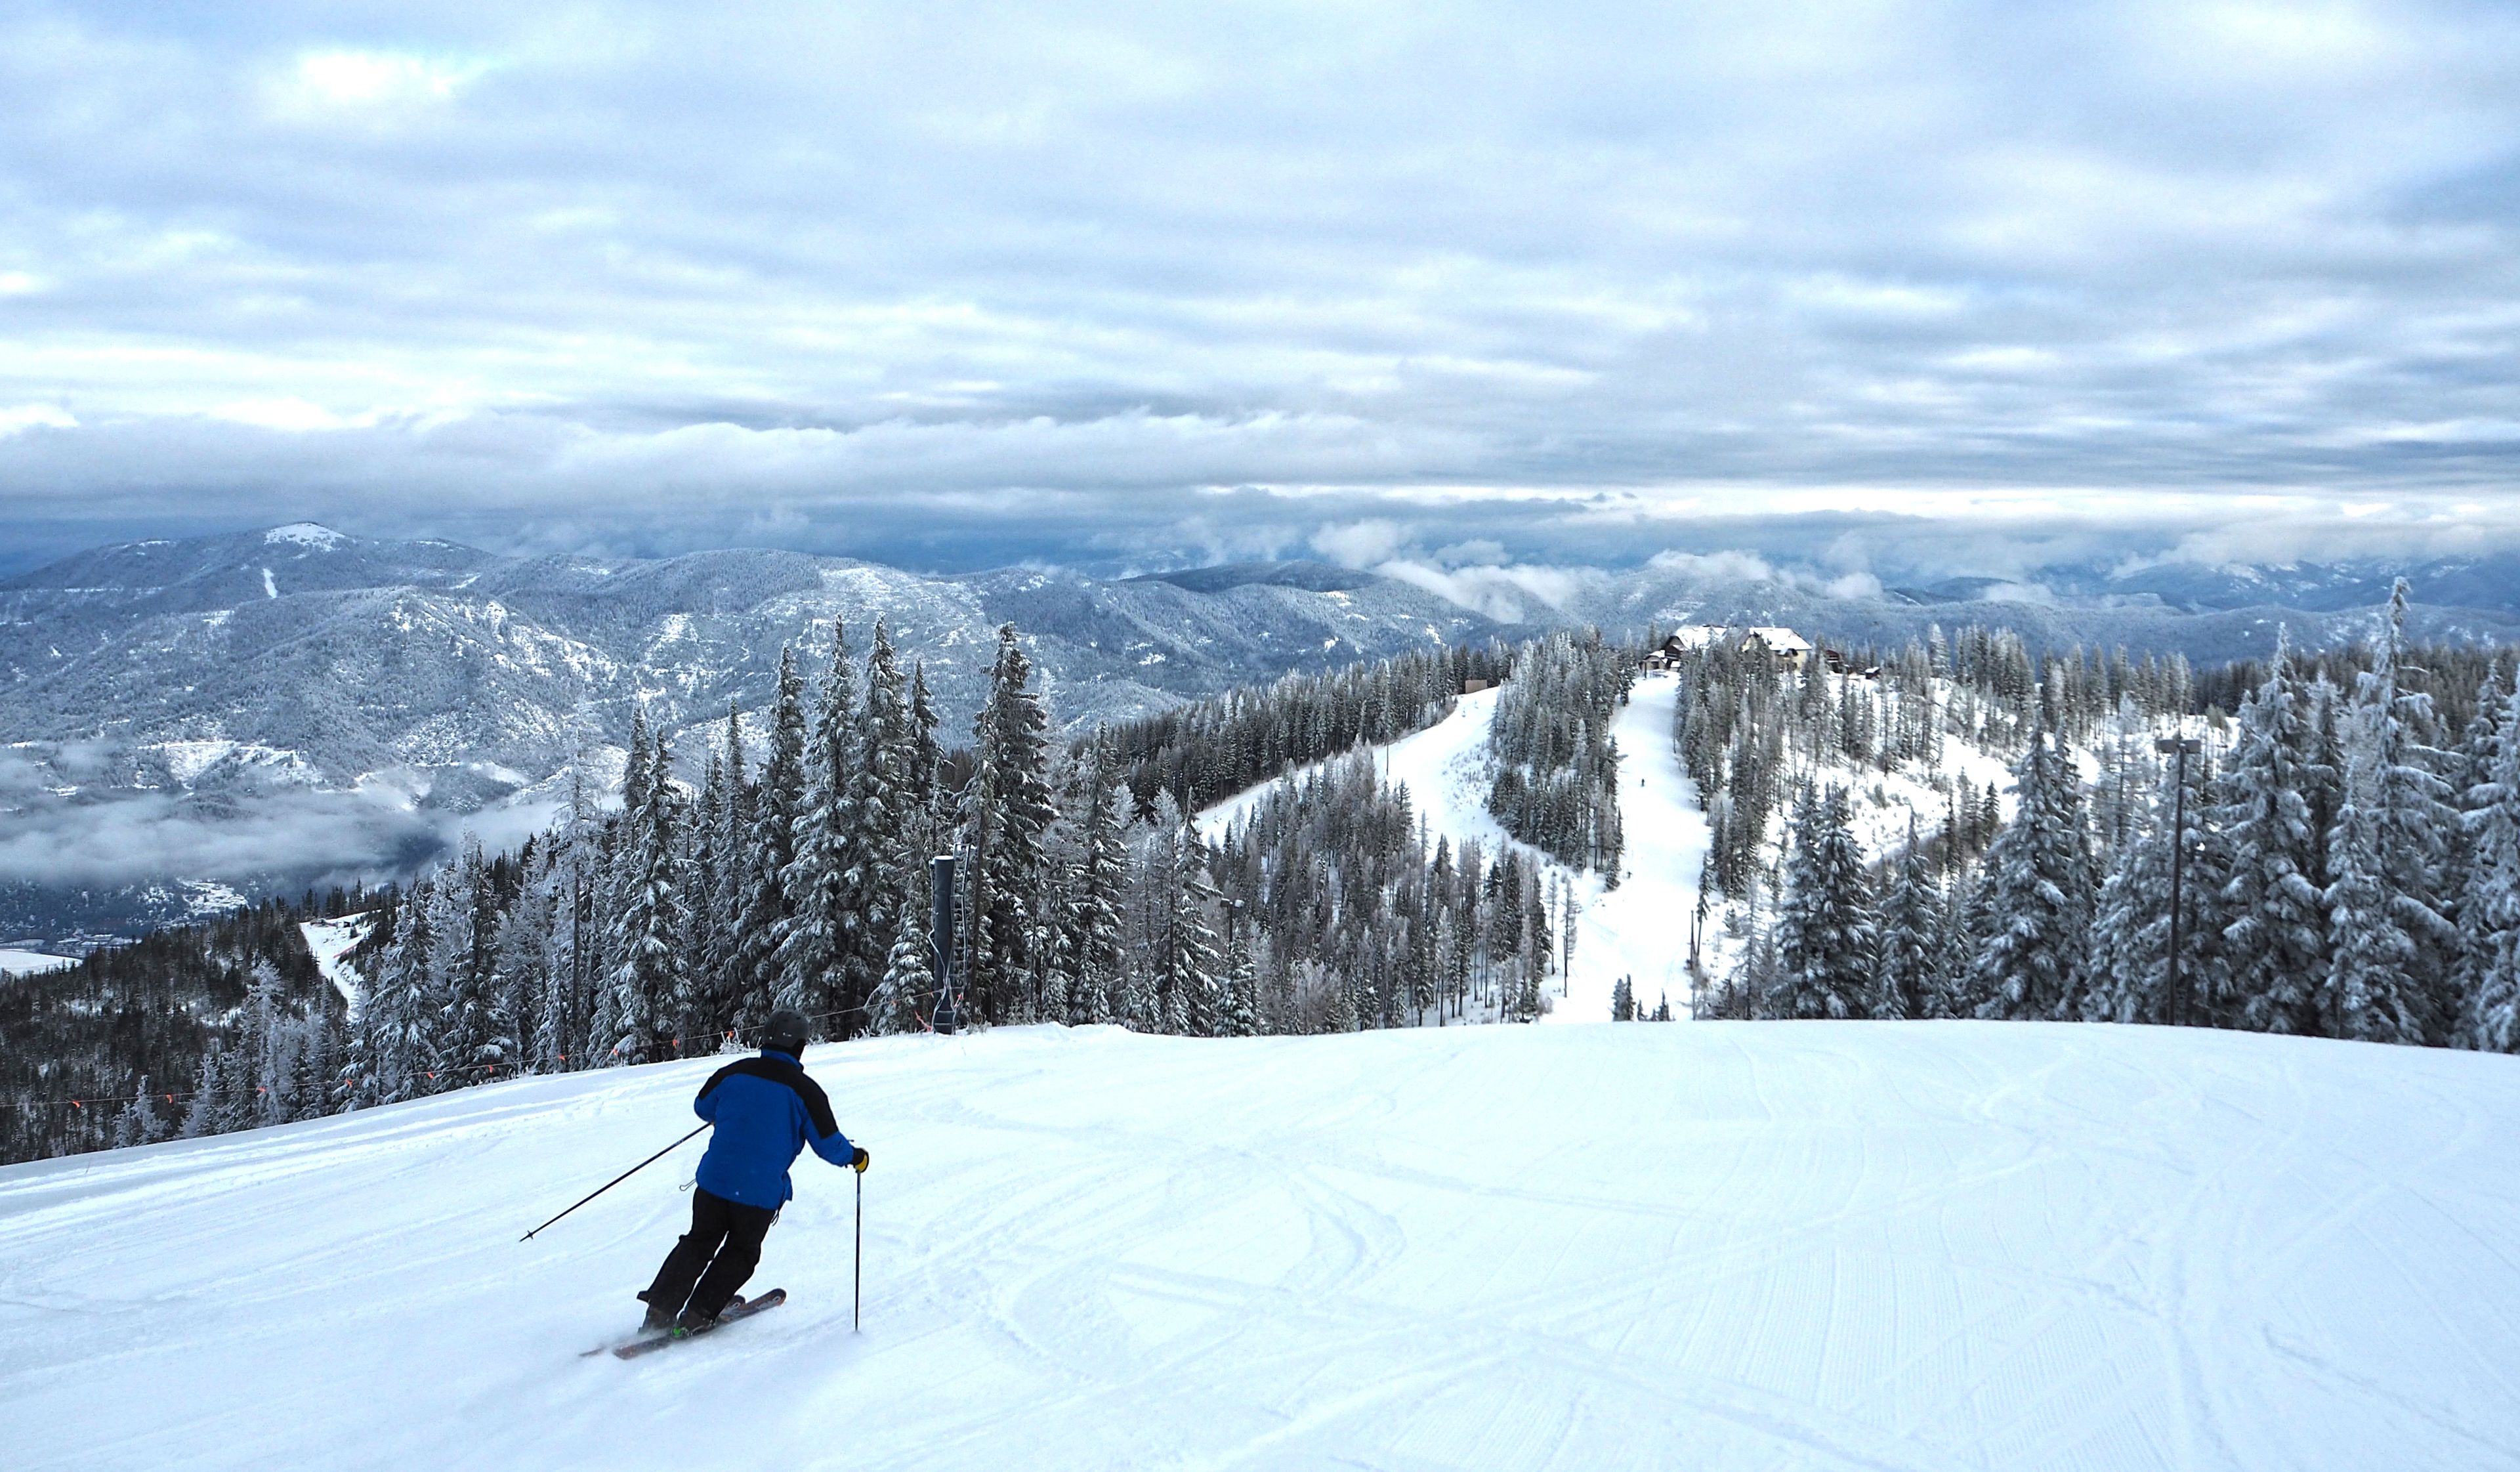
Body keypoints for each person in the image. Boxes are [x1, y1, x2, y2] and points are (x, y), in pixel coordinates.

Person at [637, 1008, 868, 1334]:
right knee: (741, 1253)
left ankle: (660, 1311)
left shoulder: (733, 1071)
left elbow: (703, 1107)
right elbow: (829, 1146)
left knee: (698, 1242)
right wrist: (856, 1158)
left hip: (713, 1183)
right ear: (800, 1047)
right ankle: (698, 1315)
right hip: (757, 1194)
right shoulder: (806, 1091)